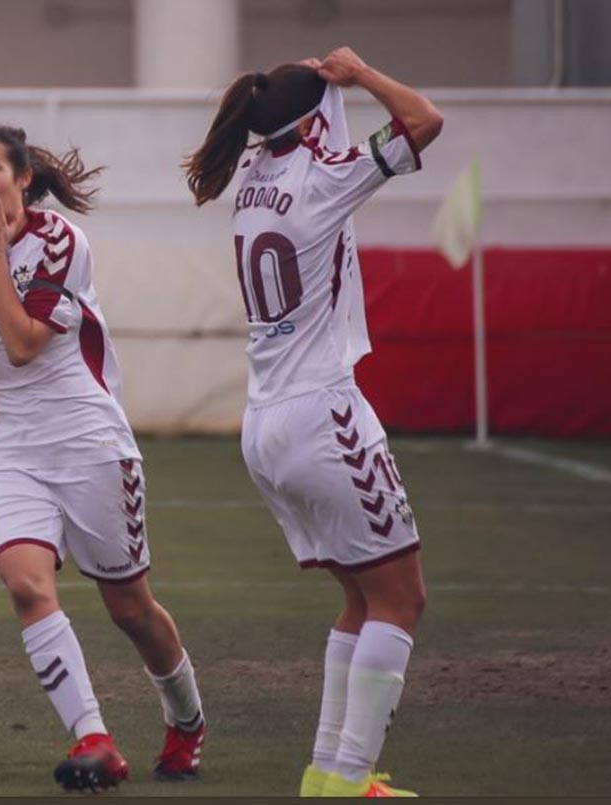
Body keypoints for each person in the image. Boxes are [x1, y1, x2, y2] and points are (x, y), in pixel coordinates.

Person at [184, 47, 442, 798]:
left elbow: (303, 126)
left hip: (265, 419)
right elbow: (426, 120)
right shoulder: (327, 178)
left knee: (361, 598)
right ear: (314, 118)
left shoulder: (256, 178)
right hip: (323, 414)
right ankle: (351, 776)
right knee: (403, 598)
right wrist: (359, 76)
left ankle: (328, 770)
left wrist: (312, 90)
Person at [0, 125, 206, 792]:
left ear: (23, 177)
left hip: (88, 442)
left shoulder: (61, 242)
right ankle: (94, 737)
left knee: (130, 608)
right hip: (9, 449)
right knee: (26, 583)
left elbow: (24, 344)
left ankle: (187, 720)